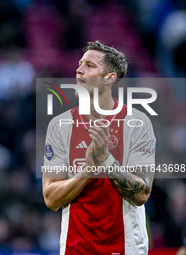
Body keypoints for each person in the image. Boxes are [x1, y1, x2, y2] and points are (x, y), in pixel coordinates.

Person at [42, 41, 156, 255]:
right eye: (79, 64)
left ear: (109, 78)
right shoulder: (60, 125)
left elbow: (141, 194)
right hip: (75, 249)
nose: (78, 70)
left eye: (89, 65)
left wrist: (106, 159)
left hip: (125, 248)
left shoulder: (137, 123)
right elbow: (50, 198)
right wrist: (87, 169)